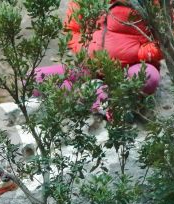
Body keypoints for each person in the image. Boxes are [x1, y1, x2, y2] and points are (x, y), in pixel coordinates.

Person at [34, 1, 165, 118]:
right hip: (90, 68)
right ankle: (96, 95)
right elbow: (72, 30)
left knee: (148, 77)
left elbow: (169, 39)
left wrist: (138, 52)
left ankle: (97, 97)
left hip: (131, 68)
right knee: (33, 78)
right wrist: (86, 51)